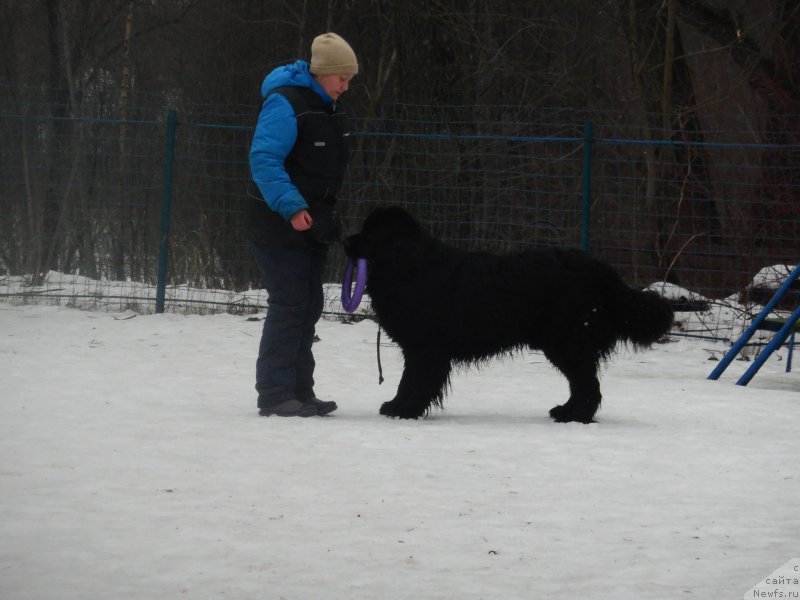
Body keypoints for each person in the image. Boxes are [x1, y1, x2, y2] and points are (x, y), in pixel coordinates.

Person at [247, 33, 358, 417]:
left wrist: (323, 214)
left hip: (312, 224)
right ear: (324, 72)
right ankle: (275, 394)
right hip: (277, 223)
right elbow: (264, 159)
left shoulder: (327, 108)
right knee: (290, 304)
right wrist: (292, 207)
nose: (346, 86)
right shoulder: (285, 103)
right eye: (342, 78)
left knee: (308, 305)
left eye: (349, 79)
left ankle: (300, 391)